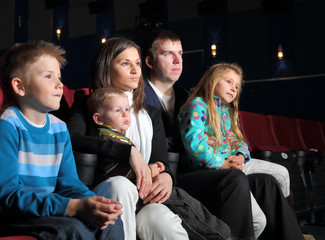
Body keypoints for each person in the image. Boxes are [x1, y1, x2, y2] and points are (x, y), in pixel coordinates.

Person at [141, 29, 262, 239]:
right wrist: (204, 143)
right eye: (168, 53)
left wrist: (219, 143)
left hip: (192, 166)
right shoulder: (138, 93)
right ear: (150, 62)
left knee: (266, 182)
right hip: (168, 171)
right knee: (234, 178)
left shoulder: (185, 96)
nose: (177, 59)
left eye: (180, 53)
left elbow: (211, 135)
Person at [66, 37, 190, 240]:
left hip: (143, 193)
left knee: (162, 222)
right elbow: (72, 138)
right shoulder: (87, 104)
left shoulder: (151, 113)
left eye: (138, 63)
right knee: (120, 185)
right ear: (106, 68)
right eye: (125, 63)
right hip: (104, 188)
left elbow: (162, 161)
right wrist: (128, 151)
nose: (135, 70)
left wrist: (167, 176)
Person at [0, 40, 124, 240]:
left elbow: (69, 184)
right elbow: (8, 196)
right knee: (75, 230)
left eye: (59, 76)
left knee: (109, 223)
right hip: (15, 216)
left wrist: (95, 202)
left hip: (49, 211)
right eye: (48, 76)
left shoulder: (59, 128)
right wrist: (71, 207)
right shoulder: (8, 125)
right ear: (20, 86)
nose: (59, 84)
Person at [178, 62, 305, 240]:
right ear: (213, 81)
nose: (233, 88)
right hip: (211, 168)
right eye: (229, 82)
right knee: (258, 222)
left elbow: (240, 141)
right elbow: (195, 145)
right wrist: (222, 163)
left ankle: (286, 223)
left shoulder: (226, 112)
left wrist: (239, 156)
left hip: (233, 162)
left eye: (237, 86)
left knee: (281, 173)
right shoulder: (198, 105)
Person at [87, 87, 165, 184]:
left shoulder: (119, 136)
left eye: (127, 109)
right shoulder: (106, 136)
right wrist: (148, 170)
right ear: (99, 119)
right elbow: (116, 170)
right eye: (117, 110)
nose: (125, 114)